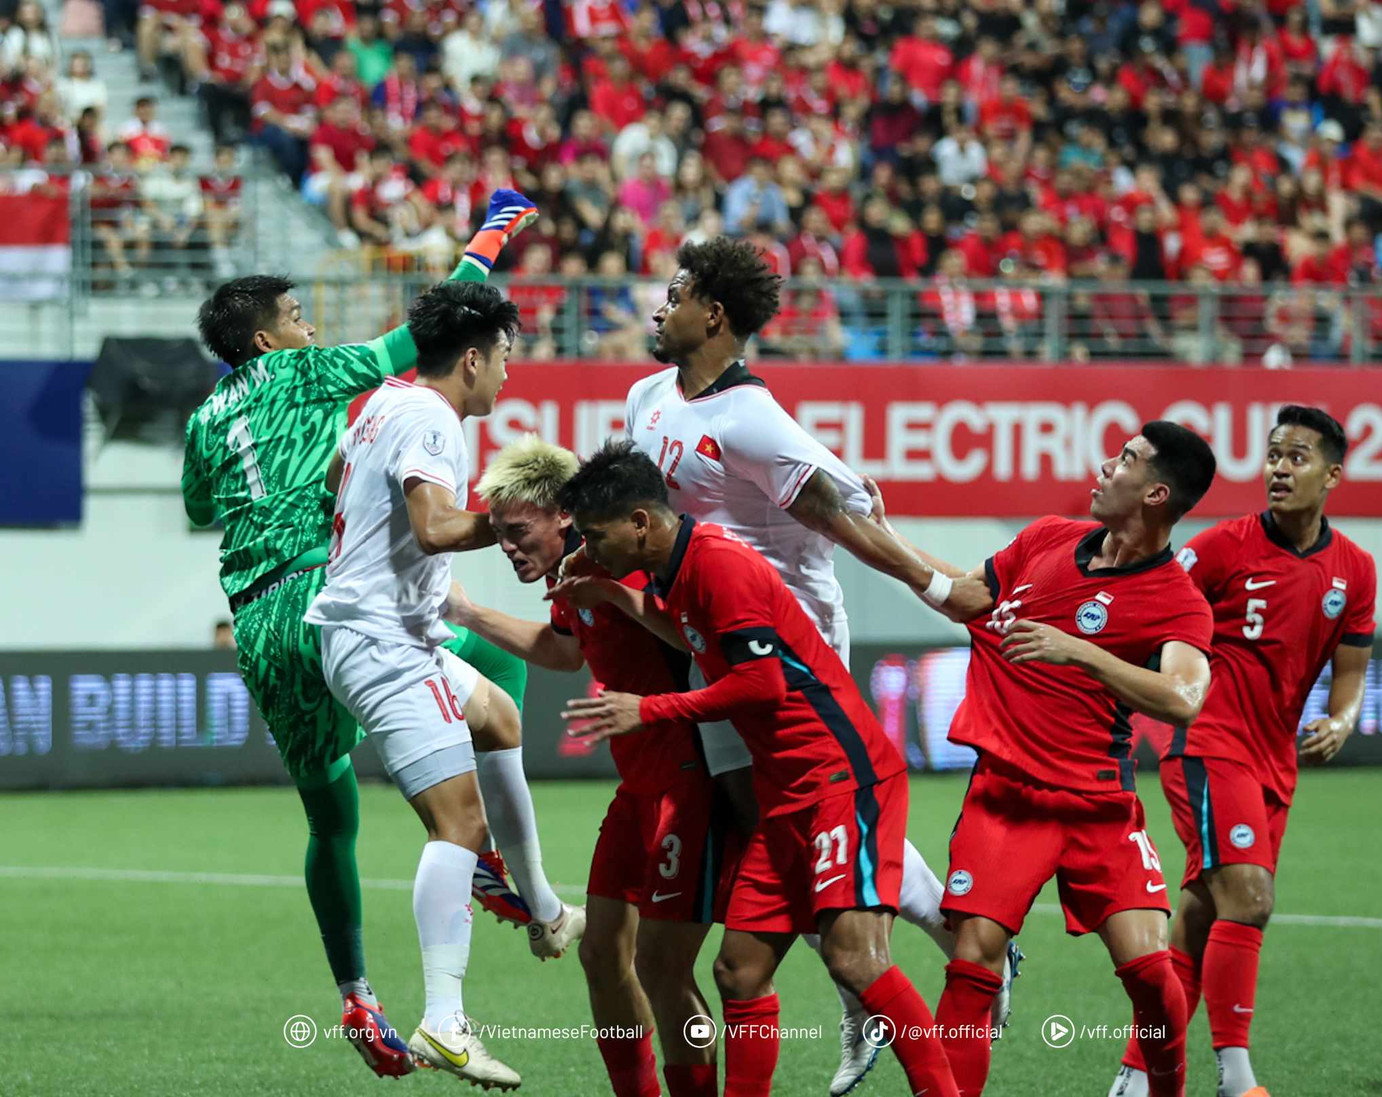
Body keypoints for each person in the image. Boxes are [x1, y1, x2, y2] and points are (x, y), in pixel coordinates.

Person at [624, 236, 1016, 1094]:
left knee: (799, 809)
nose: (660, 307)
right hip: (708, 637)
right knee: (760, 816)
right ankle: (884, 960)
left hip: (792, 641)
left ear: (713, 315)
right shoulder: (646, 397)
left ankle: (899, 957)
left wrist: (937, 583)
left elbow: (846, 511)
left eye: (677, 292)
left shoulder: (751, 418)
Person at [180, 190, 543, 1078]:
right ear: (265, 339)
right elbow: (429, 334)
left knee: (329, 813)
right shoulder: (305, 375)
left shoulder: (200, 420)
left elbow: (198, 509)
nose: (309, 329)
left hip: (261, 624)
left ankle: (357, 994)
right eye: (297, 318)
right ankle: (486, 852)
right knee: (494, 659)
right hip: (329, 598)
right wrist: (489, 240)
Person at [555, 440, 962, 1097]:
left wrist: (651, 708)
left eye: (596, 537)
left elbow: (763, 683)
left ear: (639, 521)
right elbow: (687, 634)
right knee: (739, 970)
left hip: (840, 774)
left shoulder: (716, 564)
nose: (588, 547)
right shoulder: (671, 569)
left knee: (853, 958)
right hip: (785, 791)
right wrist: (613, 591)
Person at [884, 421, 1219, 1097]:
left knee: (1153, 972)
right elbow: (966, 592)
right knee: (974, 959)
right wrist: (878, 533)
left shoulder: (1178, 600)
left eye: (1125, 458)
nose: (1105, 464)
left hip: (1098, 804)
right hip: (1006, 798)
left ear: (1156, 493)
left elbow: (1184, 696)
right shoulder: (1048, 538)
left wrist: (1082, 651)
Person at [304, 281, 535, 1088]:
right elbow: (437, 526)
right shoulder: (434, 418)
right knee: (460, 825)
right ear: (471, 358)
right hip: (382, 640)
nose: (508, 374)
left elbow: (336, 479)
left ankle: (541, 905)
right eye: (504, 357)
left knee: (499, 715)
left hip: (382, 628)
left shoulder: (384, 398)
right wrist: (518, 520)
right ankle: (445, 1022)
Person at [1109, 406, 1377, 1097]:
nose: (1281, 468)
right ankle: (1236, 1077)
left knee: (1202, 918)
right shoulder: (1221, 547)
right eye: (1273, 455)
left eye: (1297, 456)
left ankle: (1136, 1078)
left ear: (1333, 474)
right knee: (1250, 898)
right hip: (1205, 740)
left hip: (1272, 759)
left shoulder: (1355, 568)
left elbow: (1350, 670)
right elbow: (1150, 604)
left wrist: (1343, 718)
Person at [452, 436, 728, 1097]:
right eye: (499, 535)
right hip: (641, 786)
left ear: (562, 514)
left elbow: (695, 636)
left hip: (691, 779)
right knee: (601, 953)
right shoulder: (572, 577)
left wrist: (610, 591)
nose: (508, 546)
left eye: (518, 531)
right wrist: (466, 613)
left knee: (668, 968)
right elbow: (565, 649)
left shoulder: (618, 563)